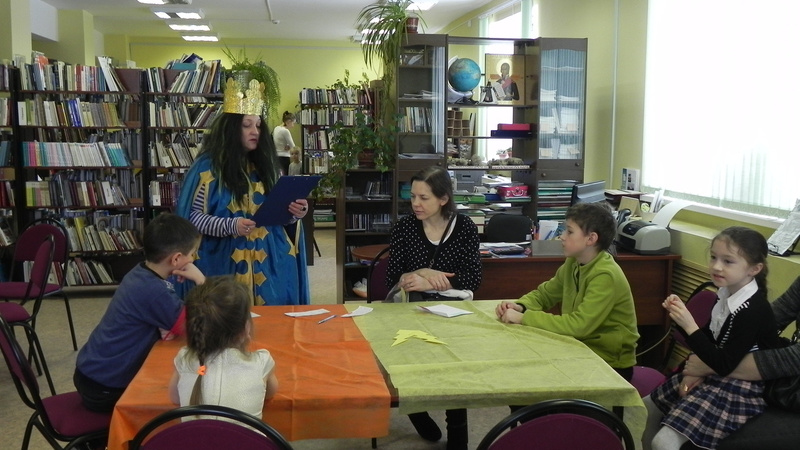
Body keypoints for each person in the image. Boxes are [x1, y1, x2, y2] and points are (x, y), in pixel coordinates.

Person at [643, 226, 783, 450]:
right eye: (713, 257)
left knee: (663, 442)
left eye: (728, 261)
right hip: (714, 369)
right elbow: (709, 341)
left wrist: (689, 325)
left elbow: (724, 363)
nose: (716, 266)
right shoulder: (725, 294)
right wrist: (690, 371)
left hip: (739, 385)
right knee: (645, 408)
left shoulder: (753, 309)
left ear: (754, 269)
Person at [176, 78, 310, 306]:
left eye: (258, 125)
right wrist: (231, 226)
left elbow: (280, 214)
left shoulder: (269, 167)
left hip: (271, 260)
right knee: (227, 316)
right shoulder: (208, 168)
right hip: (222, 261)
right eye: (247, 125)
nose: (254, 131)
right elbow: (192, 219)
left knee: (275, 321)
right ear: (231, 129)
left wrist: (296, 212)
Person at [386, 166, 482, 450]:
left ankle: (458, 435)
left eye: (424, 198)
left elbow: (473, 278)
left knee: (455, 369)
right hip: (411, 307)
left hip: (452, 310)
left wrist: (430, 282)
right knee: (409, 361)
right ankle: (417, 411)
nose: (415, 203)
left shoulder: (464, 227)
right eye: (413, 196)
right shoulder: (404, 228)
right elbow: (393, 279)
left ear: (443, 199)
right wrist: (424, 272)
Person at [73, 213, 205, 412]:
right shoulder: (154, 291)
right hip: (104, 388)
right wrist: (201, 281)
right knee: (179, 393)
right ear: (176, 258)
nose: (193, 259)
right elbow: (195, 327)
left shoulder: (141, 272)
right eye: (193, 253)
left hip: (91, 373)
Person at [495, 202, 639, 381]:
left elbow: (579, 326)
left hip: (608, 363)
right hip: (579, 349)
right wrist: (521, 306)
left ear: (591, 239)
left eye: (569, 232)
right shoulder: (574, 262)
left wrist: (524, 318)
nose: (562, 236)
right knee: (519, 366)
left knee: (528, 375)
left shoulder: (605, 274)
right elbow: (545, 294)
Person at [682, 275, 800, 449]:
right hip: (782, 386)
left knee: (701, 440)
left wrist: (709, 365)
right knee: (679, 413)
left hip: (788, 395)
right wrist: (698, 364)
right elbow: (760, 324)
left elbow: (792, 359)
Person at [169, 276, 278, 417]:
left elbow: (175, 398)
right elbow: (269, 393)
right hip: (244, 433)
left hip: (193, 433)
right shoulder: (262, 361)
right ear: (245, 328)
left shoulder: (184, 358)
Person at [273, 110, 296, 175]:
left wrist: (288, 146)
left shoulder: (276, 128)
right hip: (284, 158)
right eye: (293, 123)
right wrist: (290, 147)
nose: (293, 126)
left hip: (276, 157)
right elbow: (293, 147)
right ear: (288, 122)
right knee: (285, 177)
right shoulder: (285, 131)